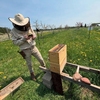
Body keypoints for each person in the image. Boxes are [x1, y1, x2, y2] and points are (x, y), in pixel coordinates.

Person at [8, 13, 46, 81]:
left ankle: (44, 69)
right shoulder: (13, 32)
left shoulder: (29, 26)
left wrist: (34, 36)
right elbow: (15, 43)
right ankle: (32, 74)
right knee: (29, 64)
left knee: (41, 59)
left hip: (33, 47)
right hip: (25, 50)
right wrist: (23, 39)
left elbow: (34, 34)